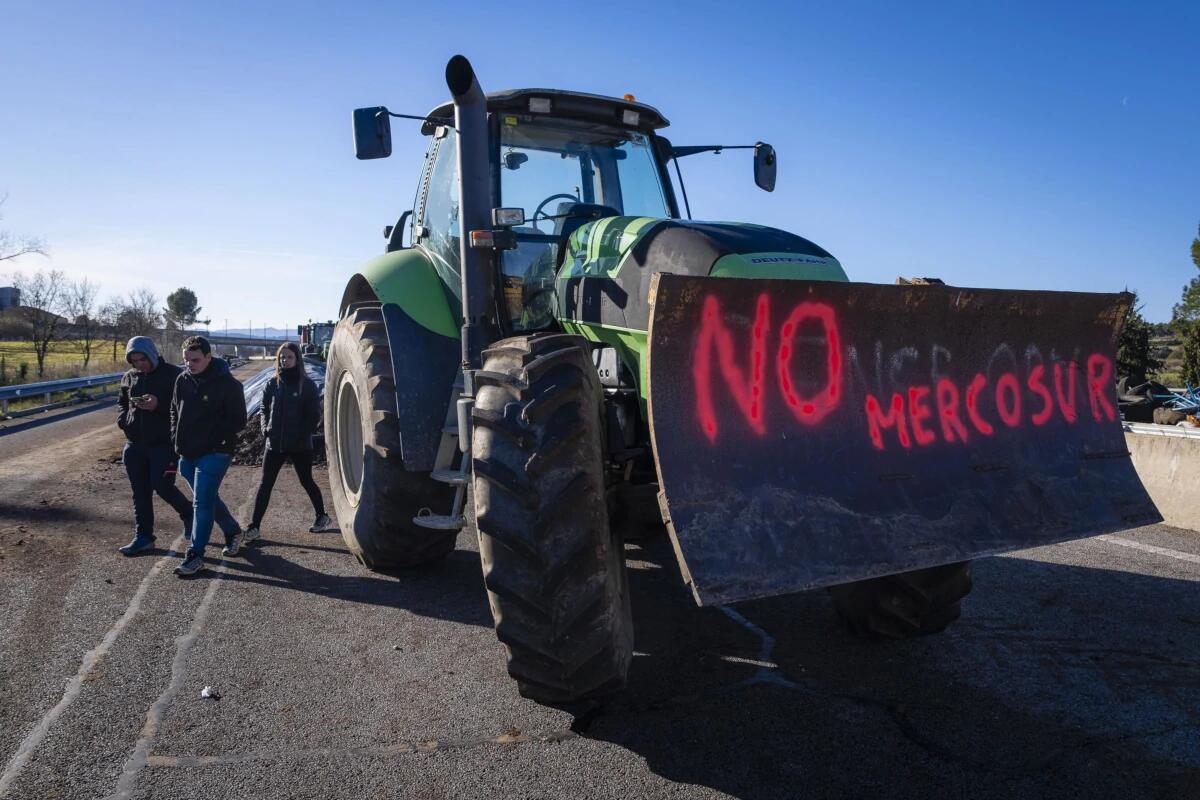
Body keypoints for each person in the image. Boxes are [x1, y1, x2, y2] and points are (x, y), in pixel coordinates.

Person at [171, 335, 247, 576]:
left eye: (194, 360)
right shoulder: (182, 380)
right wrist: (176, 439)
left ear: (208, 357)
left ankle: (195, 555)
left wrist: (213, 438)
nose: (189, 365)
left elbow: (239, 420)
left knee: (201, 502)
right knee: (207, 498)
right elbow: (174, 411)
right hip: (187, 452)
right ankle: (233, 531)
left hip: (216, 452)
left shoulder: (228, 384)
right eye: (186, 360)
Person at [244, 342, 332, 541]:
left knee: (306, 481)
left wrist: (303, 434)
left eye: (289, 357)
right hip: (275, 444)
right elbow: (263, 407)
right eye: (282, 357)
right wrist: (265, 428)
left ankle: (322, 516)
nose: (285, 360)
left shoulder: (307, 385)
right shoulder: (272, 383)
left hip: (300, 445)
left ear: (297, 359)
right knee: (265, 484)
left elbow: (314, 415)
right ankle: (254, 527)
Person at [116, 336, 194, 555]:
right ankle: (144, 537)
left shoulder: (174, 375)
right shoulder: (129, 377)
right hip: (134, 445)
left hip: (163, 445)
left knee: (163, 486)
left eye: (143, 359)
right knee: (139, 492)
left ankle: (188, 513)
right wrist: (123, 421)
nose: (140, 364)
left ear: (152, 354)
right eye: (135, 360)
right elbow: (122, 402)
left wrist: (159, 405)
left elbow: (185, 408)